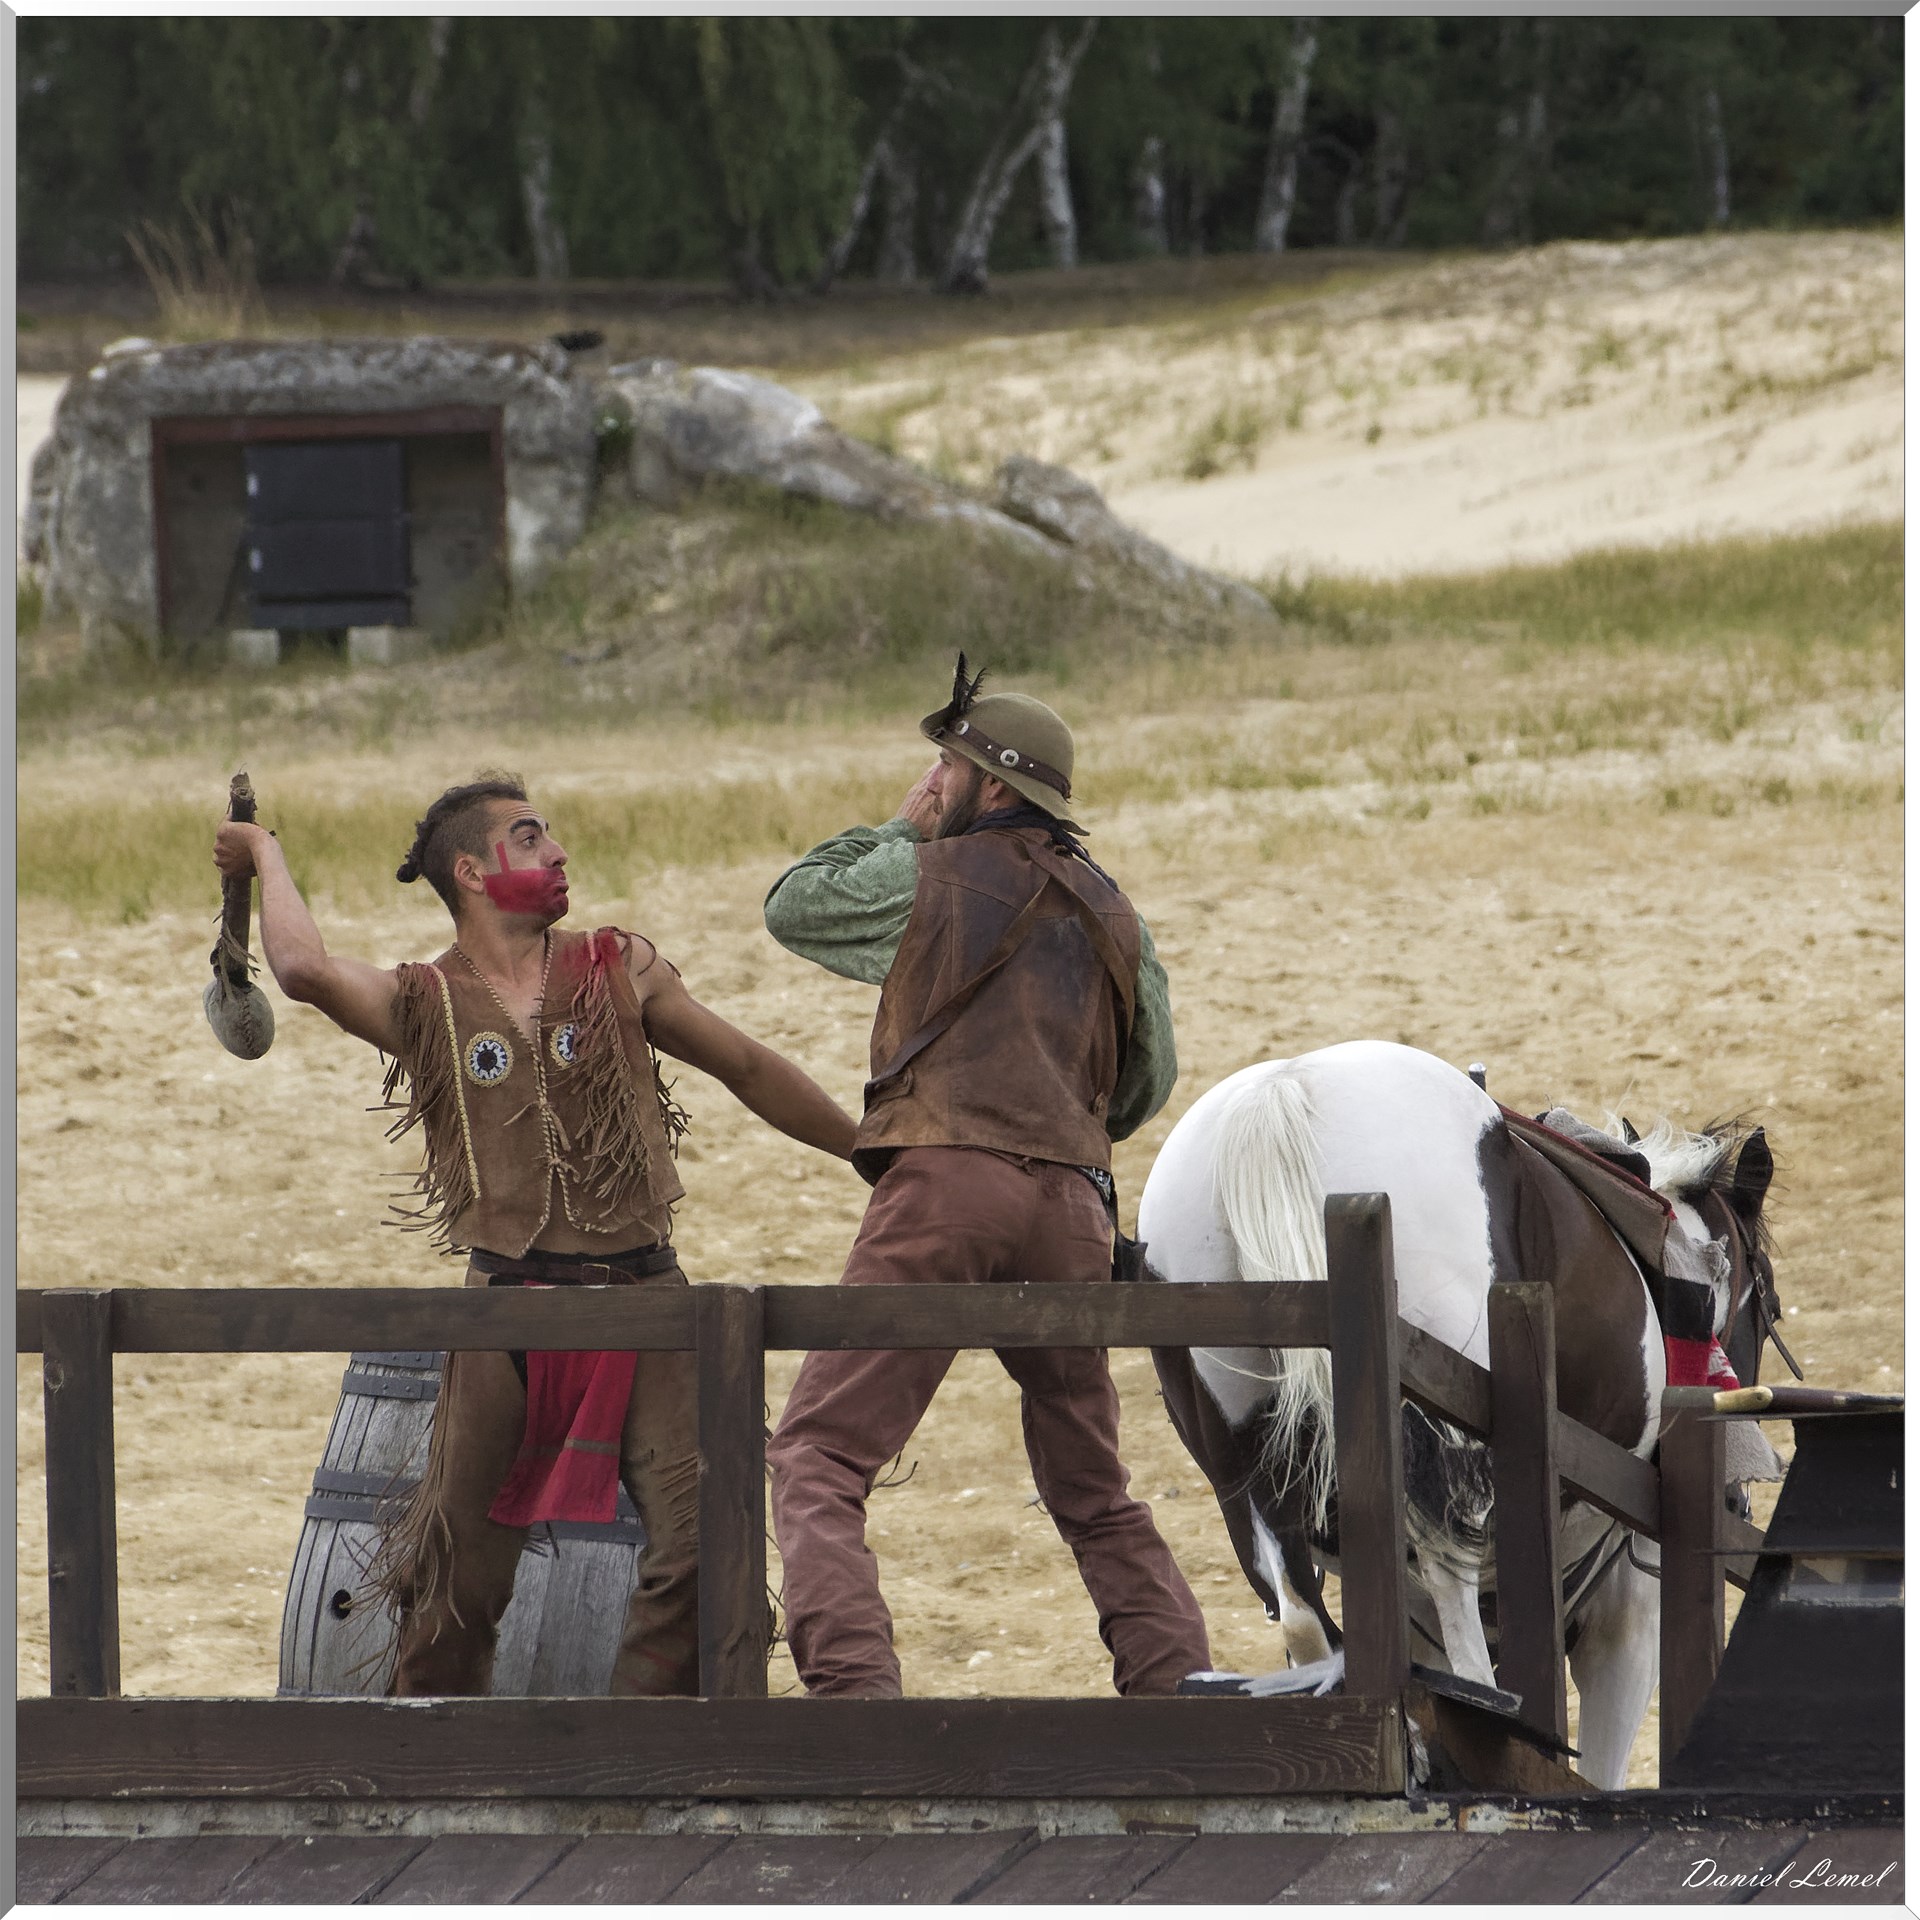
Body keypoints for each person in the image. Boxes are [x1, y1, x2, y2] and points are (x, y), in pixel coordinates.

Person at [214, 772, 857, 1696]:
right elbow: (305, 971)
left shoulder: (618, 965)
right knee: (458, 1591)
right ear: (471, 872)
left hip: (648, 1305)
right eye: (529, 837)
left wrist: (869, 1152)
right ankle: (435, 1794)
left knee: (705, 1553)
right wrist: (266, 854)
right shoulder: (424, 1001)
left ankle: (638, 1774)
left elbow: (748, 1065)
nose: (557, 853)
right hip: (506, 1316)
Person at [761, 658, 1212, 1698]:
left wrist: (902, 824)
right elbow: (1148, 1081)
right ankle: (1173, 1689)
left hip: (944, 1190)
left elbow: (795, 905)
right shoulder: (1116, 913)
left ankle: (857, 1701)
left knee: (819, 1456)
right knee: (1095, 1489)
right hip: (1073, 1212)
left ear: (990, 785)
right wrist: (1059, 1122)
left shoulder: (927, 874)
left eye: (944, 766)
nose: (932, 780)